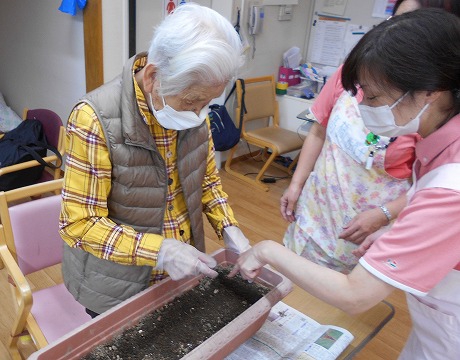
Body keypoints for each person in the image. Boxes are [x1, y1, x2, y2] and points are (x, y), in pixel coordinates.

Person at [231, 8, 460, 359]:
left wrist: (265, 249)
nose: (364, 106)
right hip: (430, 304)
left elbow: (357, 295)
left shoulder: (451, 184)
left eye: (375, 97)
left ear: (430, 91)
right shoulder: (441, 139)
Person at [59, 3, 250, 317]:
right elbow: (80, 224)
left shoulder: (194, 113)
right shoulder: (94, 120)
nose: (199, 113)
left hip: (184, 272)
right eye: (192, 101)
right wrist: (159, 250)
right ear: (152, 77)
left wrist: (229, 227)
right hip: (117, 285)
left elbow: (206, 183)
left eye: (207, 102)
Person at [280, 1, 427, 274]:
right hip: (316, 207)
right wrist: (296, 185)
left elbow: (430, 189)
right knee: (290, 275)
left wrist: (384, 215)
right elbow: (317, 131)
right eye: (398, 20)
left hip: (363, 226)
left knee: (332, 297)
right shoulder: (352, 70)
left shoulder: (431, 110)